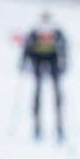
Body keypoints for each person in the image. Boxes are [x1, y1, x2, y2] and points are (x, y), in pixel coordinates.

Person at [20, 12, 69, 142]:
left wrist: (63, 63)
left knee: (57, 92)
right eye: (43, 36)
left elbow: (64, 48)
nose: (46, 37)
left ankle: (60, 125)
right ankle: (37, 125)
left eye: (48, 36)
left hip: (53, 60)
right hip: (38, 60)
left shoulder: (57, 32)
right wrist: (24, 62)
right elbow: (26, 49)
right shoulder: (34, 32)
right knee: (37, 90)